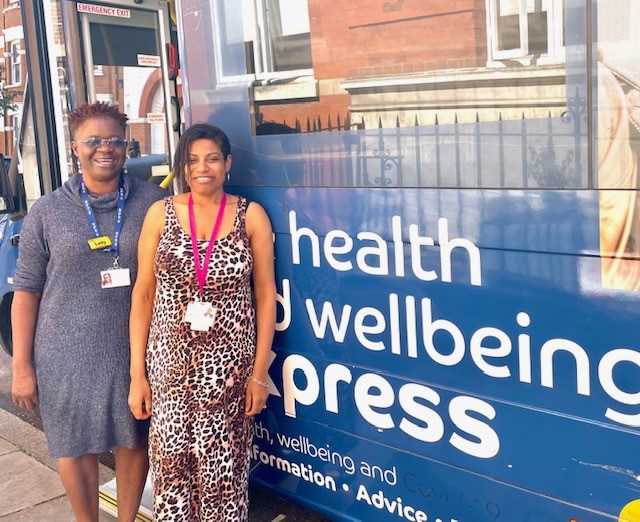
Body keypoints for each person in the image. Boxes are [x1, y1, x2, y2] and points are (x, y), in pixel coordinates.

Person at [11, 102, 166, 522]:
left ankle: (127, 518)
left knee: (133, 438)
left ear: (127, 146)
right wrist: (22, 366)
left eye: (114, 140)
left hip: (133, 348)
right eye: (93, 140)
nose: (105, 149)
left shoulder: (154, 202)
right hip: (64, 350)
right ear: (75, 146)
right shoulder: (47, 210)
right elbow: (26, 290)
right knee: (73, 443)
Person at [128, 123, 276, 520]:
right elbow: (142, 294)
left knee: (223, 478)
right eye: (192, 160)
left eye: (212, 158)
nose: (202, 168)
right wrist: (137, 376)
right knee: (172, 476)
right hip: (169, 371)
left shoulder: (251, 217)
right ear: (182, 166)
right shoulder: (160, 214)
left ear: (227, 163)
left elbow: (265, 296)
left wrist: (259, 373)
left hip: (229, 376)